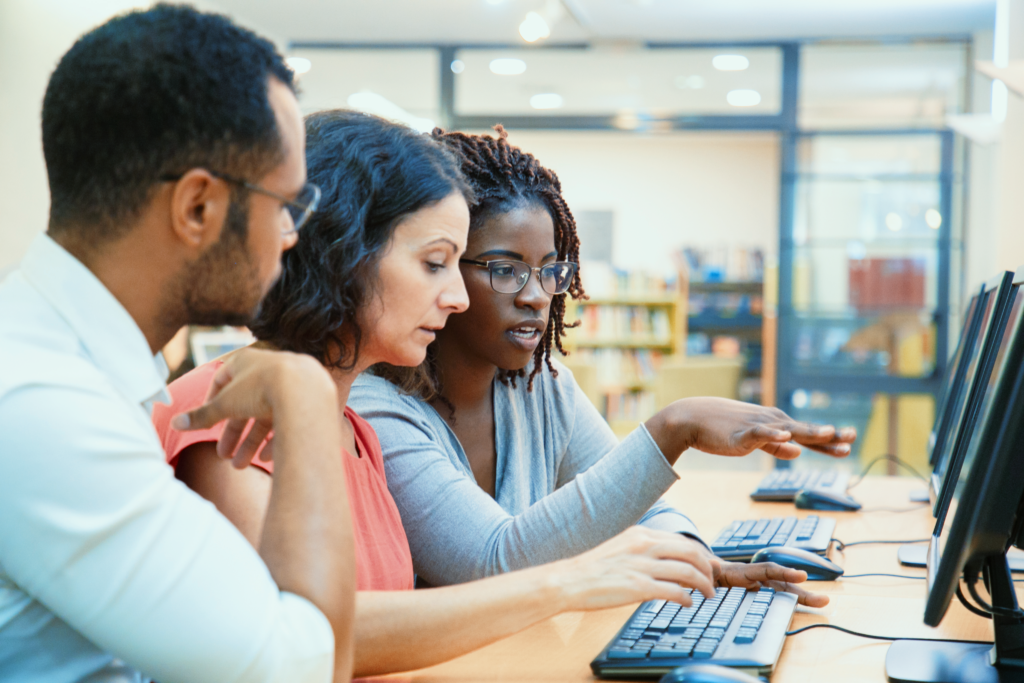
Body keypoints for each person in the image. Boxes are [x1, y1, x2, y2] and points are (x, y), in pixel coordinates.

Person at [152, 110, 828, 678]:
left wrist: (663, 561)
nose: (452, 297)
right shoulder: (231, 409)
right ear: (343, 252)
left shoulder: (347, 427)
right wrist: (572, 578)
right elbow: (308, 636)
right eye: (434, 264)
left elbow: (368, 625)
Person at [0, 6, 356, 682]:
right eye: (286, 203)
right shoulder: (42, 402)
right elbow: (301, 668)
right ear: (198, 208)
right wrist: (305, 391)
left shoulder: (72, 363)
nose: (290, 235)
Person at [351, 126, 857, 587]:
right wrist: (672, 429)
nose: (536, 296)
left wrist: (696, 558)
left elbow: (643, 511)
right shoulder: (374, 409)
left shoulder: (540, 386)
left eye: (551, 270)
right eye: (506, 269)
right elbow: (491, 562)